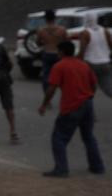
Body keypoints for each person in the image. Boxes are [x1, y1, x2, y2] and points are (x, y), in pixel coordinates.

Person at [39, 40, 105, 177]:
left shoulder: (59, 66)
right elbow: (94, 84)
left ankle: (61, 169)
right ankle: (97, 166)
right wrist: (89, 97)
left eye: (58, 51)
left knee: (59, 137)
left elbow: (52, 88)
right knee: (88, 136)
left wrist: (44, 104)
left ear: (62, 52)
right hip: (87, 104)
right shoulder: (83, 65)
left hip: (71, 106)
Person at [78, 11, 112, 99]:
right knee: (108, 87)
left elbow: (82, 51)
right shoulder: (105, 31)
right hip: (105, 63)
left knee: (87, 88)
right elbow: (110, 46)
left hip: (90, 64)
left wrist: (77, 61)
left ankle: (87, 108)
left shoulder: (85, 33)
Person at [35, 9, 69, 94]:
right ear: (55, 18)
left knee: (46, 77)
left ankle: (47, 99)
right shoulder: (62, 29)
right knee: (62, 76)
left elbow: (38, 43)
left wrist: (45, 42)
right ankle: (66, 95)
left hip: (47, 54)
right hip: (59, 55)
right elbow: (67, 42)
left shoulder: (41, 30)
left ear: (45, 19)